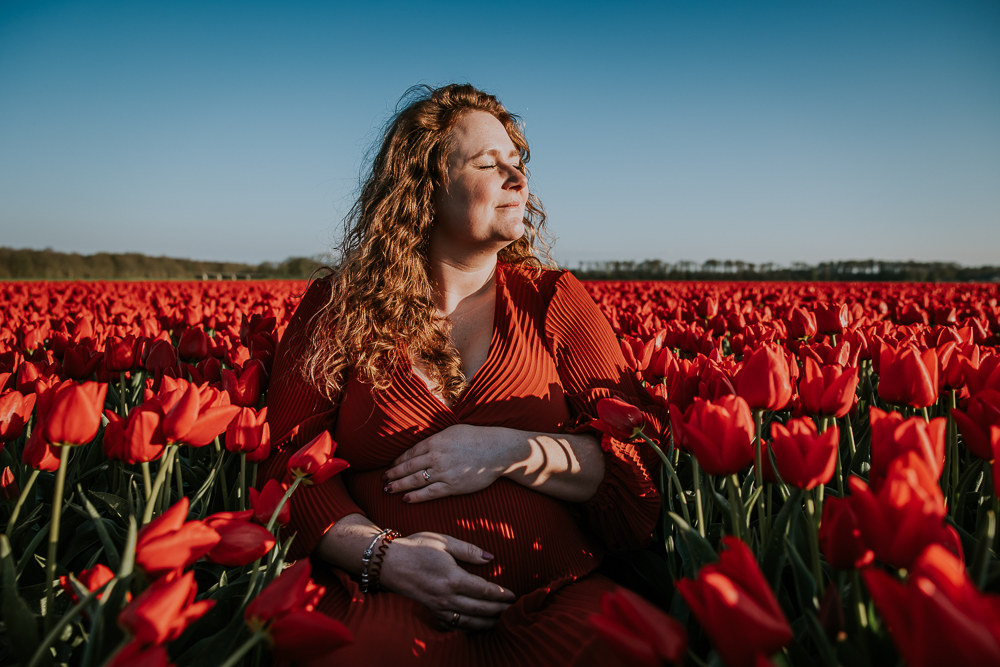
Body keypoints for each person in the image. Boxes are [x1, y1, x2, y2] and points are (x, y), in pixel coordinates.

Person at [259, 83, 667, 665]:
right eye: (488, 164)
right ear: (424, 190)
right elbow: (286, 465)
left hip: (557, 596)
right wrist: (384, 555)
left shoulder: (555, 300)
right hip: (387, 602)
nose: (518, 179)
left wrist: (510, 450)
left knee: (637, 649)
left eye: (518, 163)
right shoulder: (338, 308)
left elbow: (637, 458)